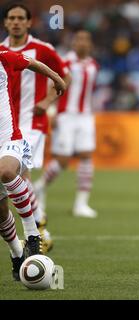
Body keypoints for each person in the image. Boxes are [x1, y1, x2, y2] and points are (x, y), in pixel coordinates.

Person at [0, 3, 71, 252]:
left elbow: (64, 75)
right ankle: (37, 229)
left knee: (16, 173)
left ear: (29, 22)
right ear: (6, 22)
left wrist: (48, 100)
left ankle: (38, 230)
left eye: (21, 18)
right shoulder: (1, 50)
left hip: (32, 122)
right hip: (6, 123)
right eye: (12, 18)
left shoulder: (43, 49)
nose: (16, 22)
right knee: (14, 178)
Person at [0, 50, 66, 280]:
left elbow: (33, 63)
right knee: (1, 213)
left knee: (7, 171)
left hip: (9, 138)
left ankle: (32, 234)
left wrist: (56, 78)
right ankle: (17, 254)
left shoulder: (3, 56)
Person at [34, 30, 99, 219]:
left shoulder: (93, 65)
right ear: (73, 43)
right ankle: (39, 188)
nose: (82, 43)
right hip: (65, 116)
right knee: (63, 160)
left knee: (86, 155)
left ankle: (81, 204)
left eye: (86, 40)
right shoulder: (65, 62)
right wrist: (51, 111)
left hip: (85, 115)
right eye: (78, 39)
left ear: (91, 44)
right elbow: (52, 86)